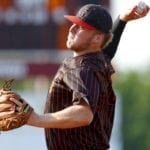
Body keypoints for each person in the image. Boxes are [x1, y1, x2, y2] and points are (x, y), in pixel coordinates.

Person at [1, 3, 149, 150]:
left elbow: (84, 114)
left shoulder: (80, 69)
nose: (72, 29)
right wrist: (122, 20)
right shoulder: (97, 62)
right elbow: (107, 50)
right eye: (73, 24)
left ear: (97, 38)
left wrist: (37, 119)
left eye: (81, 27)